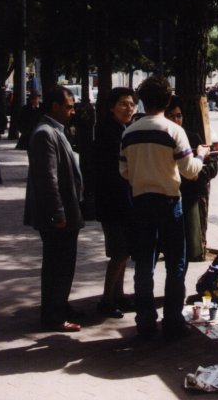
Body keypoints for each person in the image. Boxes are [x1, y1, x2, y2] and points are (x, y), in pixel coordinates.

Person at [120, 75, 210, 340]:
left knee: (144, 265)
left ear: (142, 101)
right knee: (175, 265)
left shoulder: (129, 132)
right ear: (168, 100)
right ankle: (172, 321)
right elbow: (190, 171)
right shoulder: (174, 131)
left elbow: (123, 170)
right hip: (169, 204)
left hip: (140, 203)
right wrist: (201, 156)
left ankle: (145, 321)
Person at [24, 86, 85, 333]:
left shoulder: (56, 131)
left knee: (65, 263)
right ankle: (53, 315)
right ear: (55, 107)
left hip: (66, 211)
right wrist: (57, 213)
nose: (72, 112)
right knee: (56, 265)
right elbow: (47, 179)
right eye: (68, 106)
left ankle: (61, 305)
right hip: (56, 215)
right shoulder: (44, 134)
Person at [93, 87, 136, 318]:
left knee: (124, 251)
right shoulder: (107, 132)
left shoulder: (124, 129)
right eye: (123, 104)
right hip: (113, 201)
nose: (128, 108)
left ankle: (118, 295)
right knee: (119, 252)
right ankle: (107, 300)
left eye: (131, 104)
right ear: (111, 107)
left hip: (123, 200)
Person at [165, 96, 218, 263]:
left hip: (189, 200)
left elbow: (212, 166)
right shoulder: (159, 139)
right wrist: (189, 174)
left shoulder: (192, 138)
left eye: (178, 115)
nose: (175, 120)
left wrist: (197, 176)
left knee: (186, 252)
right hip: (166, 201)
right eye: (171, 115)